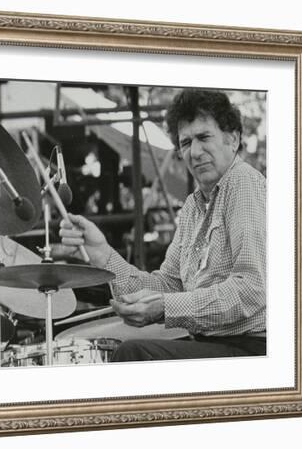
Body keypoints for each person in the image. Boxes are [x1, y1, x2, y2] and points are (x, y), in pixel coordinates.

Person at [58, 89, 266, 361]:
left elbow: (252, 289)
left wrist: (166, 307)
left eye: (204, 137)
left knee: (133, 354)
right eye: (186, 142)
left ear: (233, 139)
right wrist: (103, 255)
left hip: (251, 350)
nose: (195, 152)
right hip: (210, 343)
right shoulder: (193, 206)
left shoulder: (243, 184)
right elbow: (169, 285)